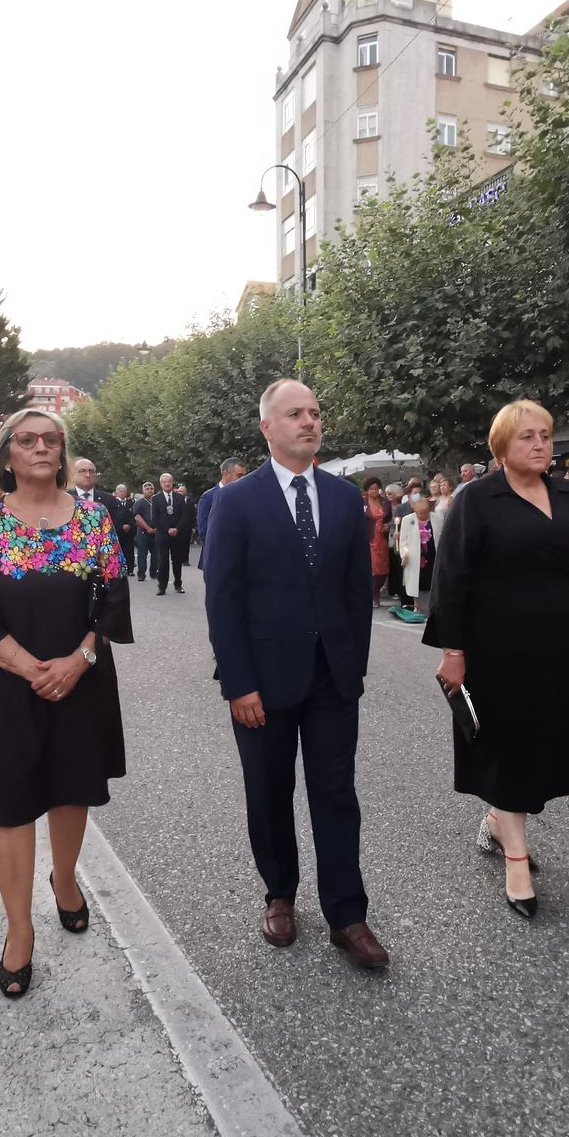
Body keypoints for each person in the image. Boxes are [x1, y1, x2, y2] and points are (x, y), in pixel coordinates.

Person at [204, 379, 388, 968]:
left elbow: (357, 596)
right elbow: (222, 601)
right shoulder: (236, 502)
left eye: (314, 412)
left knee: (336, 793)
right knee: (269, 790)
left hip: (332, 678)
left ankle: (347, 915)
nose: (309, 422)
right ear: (267, 428)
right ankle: (280, 893)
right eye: (295, 414)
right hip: (262, 680)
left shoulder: (343, 499)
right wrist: (238, 683)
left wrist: (353, 667)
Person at [0, 411, 132, 998]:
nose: (41, 447)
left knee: (71, 787)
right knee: (9, 804)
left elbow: (113, 602)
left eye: (51, 439)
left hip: (80, 680)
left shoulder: (94, 518)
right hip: (3, 684)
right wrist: (33, 668)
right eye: (26, 440)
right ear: (6, 455)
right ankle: (19, 930)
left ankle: (66, 878)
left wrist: (78, 661)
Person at [427, 401, 569, 916]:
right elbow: (452, 579)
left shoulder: (568, 495)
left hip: (561, 644)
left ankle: (495, 822)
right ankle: (516, 860)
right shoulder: (478, 499)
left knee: (545, 744)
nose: (540, 445)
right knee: (508, 745)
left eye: (546, 436)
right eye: (527, 436)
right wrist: (454, 651)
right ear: (502, 446)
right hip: (496, 648)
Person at [143, 472, 190, 594]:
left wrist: (177, 529)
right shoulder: (156, 499)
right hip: (163, 535)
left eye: (169, 481)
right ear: (161, 484)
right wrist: (167, 529)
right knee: (163, 561)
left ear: (172, 482)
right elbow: (155, 518)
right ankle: (162, 587)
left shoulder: (180, 498)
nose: (167, 484)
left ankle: (178, 584)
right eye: (165, 482)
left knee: (177, 561)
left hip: (177, 534)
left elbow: (184, 516)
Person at [197, 458, 248, 568]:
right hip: (217, 557)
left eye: (245, 476)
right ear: (225, 473)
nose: (243, 479)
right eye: (239, 476)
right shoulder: (208, 497)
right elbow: (204, 530)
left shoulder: (247, 496)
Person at [395, 491, 439, 614]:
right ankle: (416, 605)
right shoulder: (407, 520)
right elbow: (404, 541)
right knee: (415, 581)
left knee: (432, 580)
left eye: (425, 513)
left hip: (432, 555)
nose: (422, 516)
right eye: (420, 513)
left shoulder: (437, 518)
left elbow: (441, 536)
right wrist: (404, 555)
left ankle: (433, 605)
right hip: (415, 557)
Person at [361, 477, 391, 605]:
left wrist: (388, 526)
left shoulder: (385, 502)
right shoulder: (362, 502)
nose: (374, 491)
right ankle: (374, 596)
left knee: (383, 569)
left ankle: (376, 590)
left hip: (382, 539)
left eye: (376, 488)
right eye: (371, 489)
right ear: (367, 490)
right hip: (368, 539)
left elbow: (389, 518)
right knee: (372, 569)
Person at [133, 480, 157, 582]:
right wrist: (148, 528)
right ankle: (141, 573)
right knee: (142, 554)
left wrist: (157, 528)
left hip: (156, 532)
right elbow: (137, 516)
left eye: (151, 488)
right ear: (143, 490)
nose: (149, 490)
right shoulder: (139, 503)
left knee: (156, 554)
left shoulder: (157, 502)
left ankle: (154, 572)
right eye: (147, 489)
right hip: (143, 532)